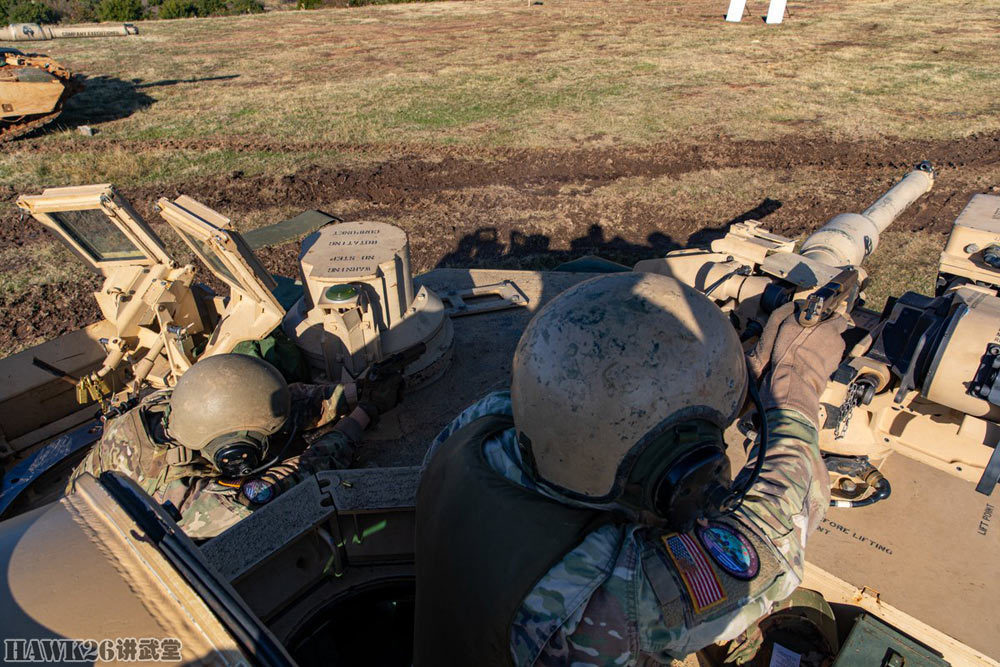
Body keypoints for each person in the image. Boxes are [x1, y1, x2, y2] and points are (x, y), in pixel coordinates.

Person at [413, 272, 846, 665]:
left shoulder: (474, 430)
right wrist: (795, 384)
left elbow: (592, 392)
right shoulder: (607, 593)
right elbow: (772, 540)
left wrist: (716, 375)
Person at [67, 353, 404, 540]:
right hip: (105, 554)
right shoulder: (181, 493)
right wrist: (362, 416)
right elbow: (299, 478)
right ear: (232, 453)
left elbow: (274, 405)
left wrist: (353, 391)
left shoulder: (178, 405)